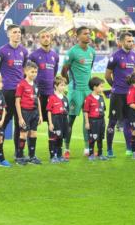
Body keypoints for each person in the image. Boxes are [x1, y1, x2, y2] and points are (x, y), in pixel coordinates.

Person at [0, 24, 28, 162]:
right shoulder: (2, 51)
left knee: (20, 122)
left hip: (20, 92)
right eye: (14, 32)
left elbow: (24, 69)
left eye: (19, 32)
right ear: (9, 35)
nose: (17, 34)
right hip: (7, 91)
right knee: (3, 121)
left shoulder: (24, 51)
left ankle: (18, 154)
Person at [61, 26, 96, 159]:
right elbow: (64, 70)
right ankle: (67, 148)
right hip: (75, 91)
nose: (88, 36)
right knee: (70, 120)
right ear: (78, 36)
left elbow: (89, 68)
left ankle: (87, 148)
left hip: (88, 91)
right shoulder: (72, 52)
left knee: (89, 120)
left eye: (89, 33)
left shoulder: (92, 52)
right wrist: (70, 83)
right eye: (85, 34)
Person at [105, 32, 135, 157]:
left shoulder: (134, 56)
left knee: (128, 122)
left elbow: (133, 73)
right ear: (122, 42)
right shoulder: (115, 56)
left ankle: (129, 149)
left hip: (129, 95)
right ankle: (109, 149)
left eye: (132, 41)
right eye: (128, 41)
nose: (131, 43)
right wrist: (114, 86)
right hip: (117, 95)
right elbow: (107, 75)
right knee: (112, 122)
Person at [29, 30, 59, 125]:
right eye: (43, 37)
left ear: (51, 39)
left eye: (47, 36)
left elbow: (54, 73)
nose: (46, 39)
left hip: (50, 93)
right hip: (37, 94)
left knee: (52, 122)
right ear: (39, 40)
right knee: (34, 122)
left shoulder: (55, 56)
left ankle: (52, 140)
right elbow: (28, 74)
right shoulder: (33, 56)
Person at [15, 62, 43, 165]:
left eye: (36, 72)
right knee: (23, 134)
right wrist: (20, 117)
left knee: (33, 133)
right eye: (32, 72)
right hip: (25, 112)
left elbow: (38, 100)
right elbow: (17, 101)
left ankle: (32, 156)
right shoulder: (21, 84)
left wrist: (40, 114)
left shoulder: (35, 85)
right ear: (26, 71)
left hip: (34, 112)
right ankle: (19, 156)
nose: (34, 74)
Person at [83, 77, 108, 161]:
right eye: (101, 86)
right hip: (93, 121)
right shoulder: (88, 98)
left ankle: (100, 154)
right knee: (92, 138)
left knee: (100, 137)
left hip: (101, 121)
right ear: (94, 87)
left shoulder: (101, 97)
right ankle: (91, 154)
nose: (102, 88)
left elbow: (103, 108)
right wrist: (87, 122)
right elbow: (85, 111)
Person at [46, 76, 69, 163]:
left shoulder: (65, 98)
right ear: (55, 86)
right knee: (53, 138)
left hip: (63, 120)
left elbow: (67, 110)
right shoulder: (52, 97)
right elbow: (49, 111)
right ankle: (52, 156)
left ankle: (59, 156)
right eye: (61, 85)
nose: (63, 87)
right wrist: (50, 123)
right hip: (55, 119)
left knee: (60, 138)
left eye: (64, 85)